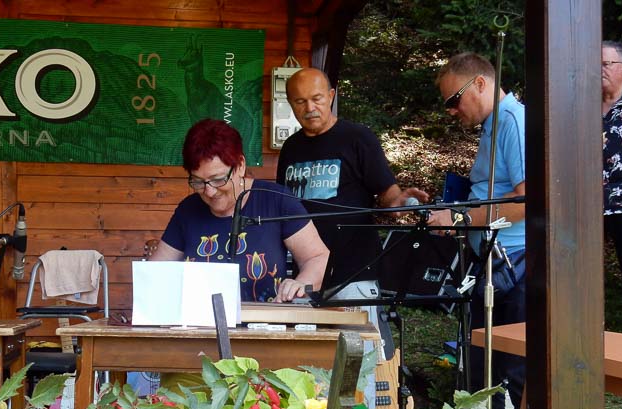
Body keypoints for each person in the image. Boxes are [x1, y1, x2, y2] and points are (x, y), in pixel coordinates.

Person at [428, 52, 526, 409]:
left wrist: (461, 217)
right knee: (481, 365)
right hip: (491, 259)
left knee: (508, 368)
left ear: (480, 83)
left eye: (454, 100)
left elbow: (526, 199)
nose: (452, 111)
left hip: (513, 262)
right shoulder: (493, 125)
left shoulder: (512, 121)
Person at [276, 67, 429, 286]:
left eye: (317, 99)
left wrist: (398, 201)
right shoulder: (291, 147)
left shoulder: (357, 137)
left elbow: (386, 190)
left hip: (355, 271)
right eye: (300, 101)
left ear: (331, 96)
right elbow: (284, 202)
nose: (310, 108)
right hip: (307, 272)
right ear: (291, 103)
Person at [151, 118, 329, 303]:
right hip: (204, 321)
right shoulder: (188, 210)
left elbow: (318, 258)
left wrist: (300, 284)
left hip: (267, 319)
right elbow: (156, 273)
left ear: (240, 165)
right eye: (198, 182)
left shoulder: (276, 200)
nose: (209, 191)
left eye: (218, 179)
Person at [602, 40, 622, 333]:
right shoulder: (581, 105)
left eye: (606, 64)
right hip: (586, 205)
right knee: (578, 280)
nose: (599, 70)